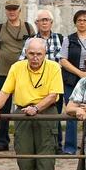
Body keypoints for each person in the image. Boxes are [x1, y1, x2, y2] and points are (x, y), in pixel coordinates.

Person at [0, 38, 63, 170]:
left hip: (45, 113)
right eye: (32, 54)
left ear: (45, 54)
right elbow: (5, 92)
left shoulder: (53, 67)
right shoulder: (17, 67)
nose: (35, 57)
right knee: (25, 158)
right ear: (26, 53)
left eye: (39, 54)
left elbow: (53, 95)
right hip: (22, 113)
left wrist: (37, 108)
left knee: (45, 158)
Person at [0, 0, 35, 152]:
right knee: (3, 107)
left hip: (25, 73)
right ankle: (2, 140)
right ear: (5, 11)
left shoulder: (28, 27)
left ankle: (26, 138)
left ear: (19, 11)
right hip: (4, 72)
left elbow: (36, 47)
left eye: (14, 9)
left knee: (26, 104)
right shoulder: (0, 29)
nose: (12, 12)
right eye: (9, 9)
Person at [19, 10, 64, 152]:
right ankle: (37, 145)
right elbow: (21, 60)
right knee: (36, 115)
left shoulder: (60, 38)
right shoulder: (30, 41)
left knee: (54, 114)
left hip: (54, 82)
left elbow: (64, 59)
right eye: (41, 20)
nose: (44, 22)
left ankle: (57, 144)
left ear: (52, 22)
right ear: (36, 23)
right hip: (35, 84)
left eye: (47, 20)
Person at [59, 10, 86, 155]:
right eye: (79, 20)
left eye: (85, 20)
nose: (82, 23)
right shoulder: (69, 39)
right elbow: (63, 60)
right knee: (72, 111)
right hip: (71, 79)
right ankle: (70, 147)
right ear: (75, 22)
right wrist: (79, 73)